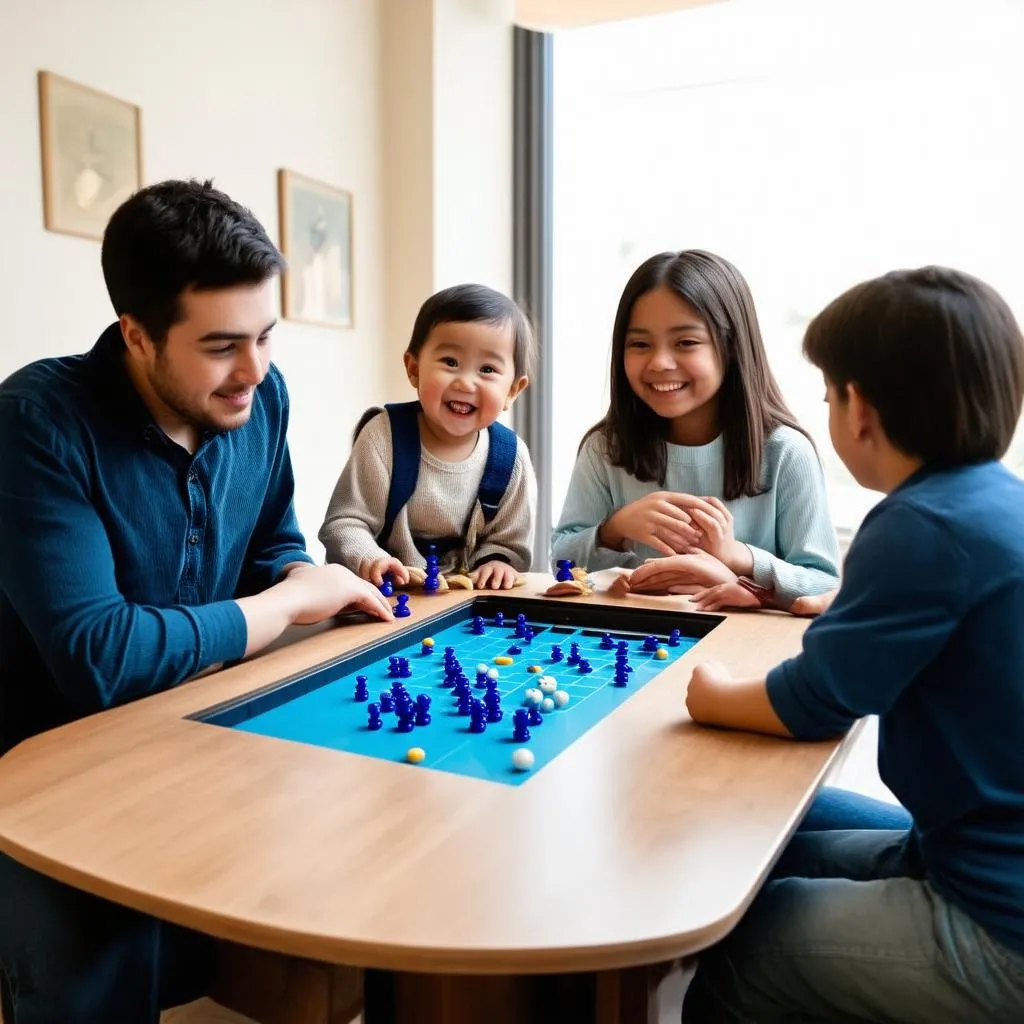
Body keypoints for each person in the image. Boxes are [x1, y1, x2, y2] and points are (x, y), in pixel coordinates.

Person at [0, 179, 393, 1024]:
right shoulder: (34, 422)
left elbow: (272, 544)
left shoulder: (262, 398)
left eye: (265, 337)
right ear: (136, 335)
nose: (253, 370)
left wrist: (301, 582)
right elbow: (100, 659)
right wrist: (287, 608)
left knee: (354, 903)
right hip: (45, 776)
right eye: (221, 346)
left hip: (202, 736)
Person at [682, 266, 1024, 1022]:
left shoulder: (920, 524)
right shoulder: (994, 501)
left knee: (739, 951)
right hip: (968, 852)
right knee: (784, 843)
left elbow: (816, 704)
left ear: (859, 408)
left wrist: (704, 690)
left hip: (997, 921)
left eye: (831, 393)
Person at [550, 250, 840, 611]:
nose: (659, 362)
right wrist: (616, 529)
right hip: (628, 642)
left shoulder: (785, 452)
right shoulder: (605, 448)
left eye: (686, 343)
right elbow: (560, 562)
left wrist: (738, 559)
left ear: (732, 348)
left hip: (741, 649)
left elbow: (824, 585)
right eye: (639, 344)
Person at [320, 283, 537, 590]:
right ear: (414, 368)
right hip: (386, 598)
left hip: (464, 609)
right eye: (450, 362)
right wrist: (369, 558)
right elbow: (344, 524)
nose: (465, 382)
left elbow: (509, 543)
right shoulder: (384, 437)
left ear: (513, 390)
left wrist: (499, 563)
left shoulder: (511, 458)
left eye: (487, 369)